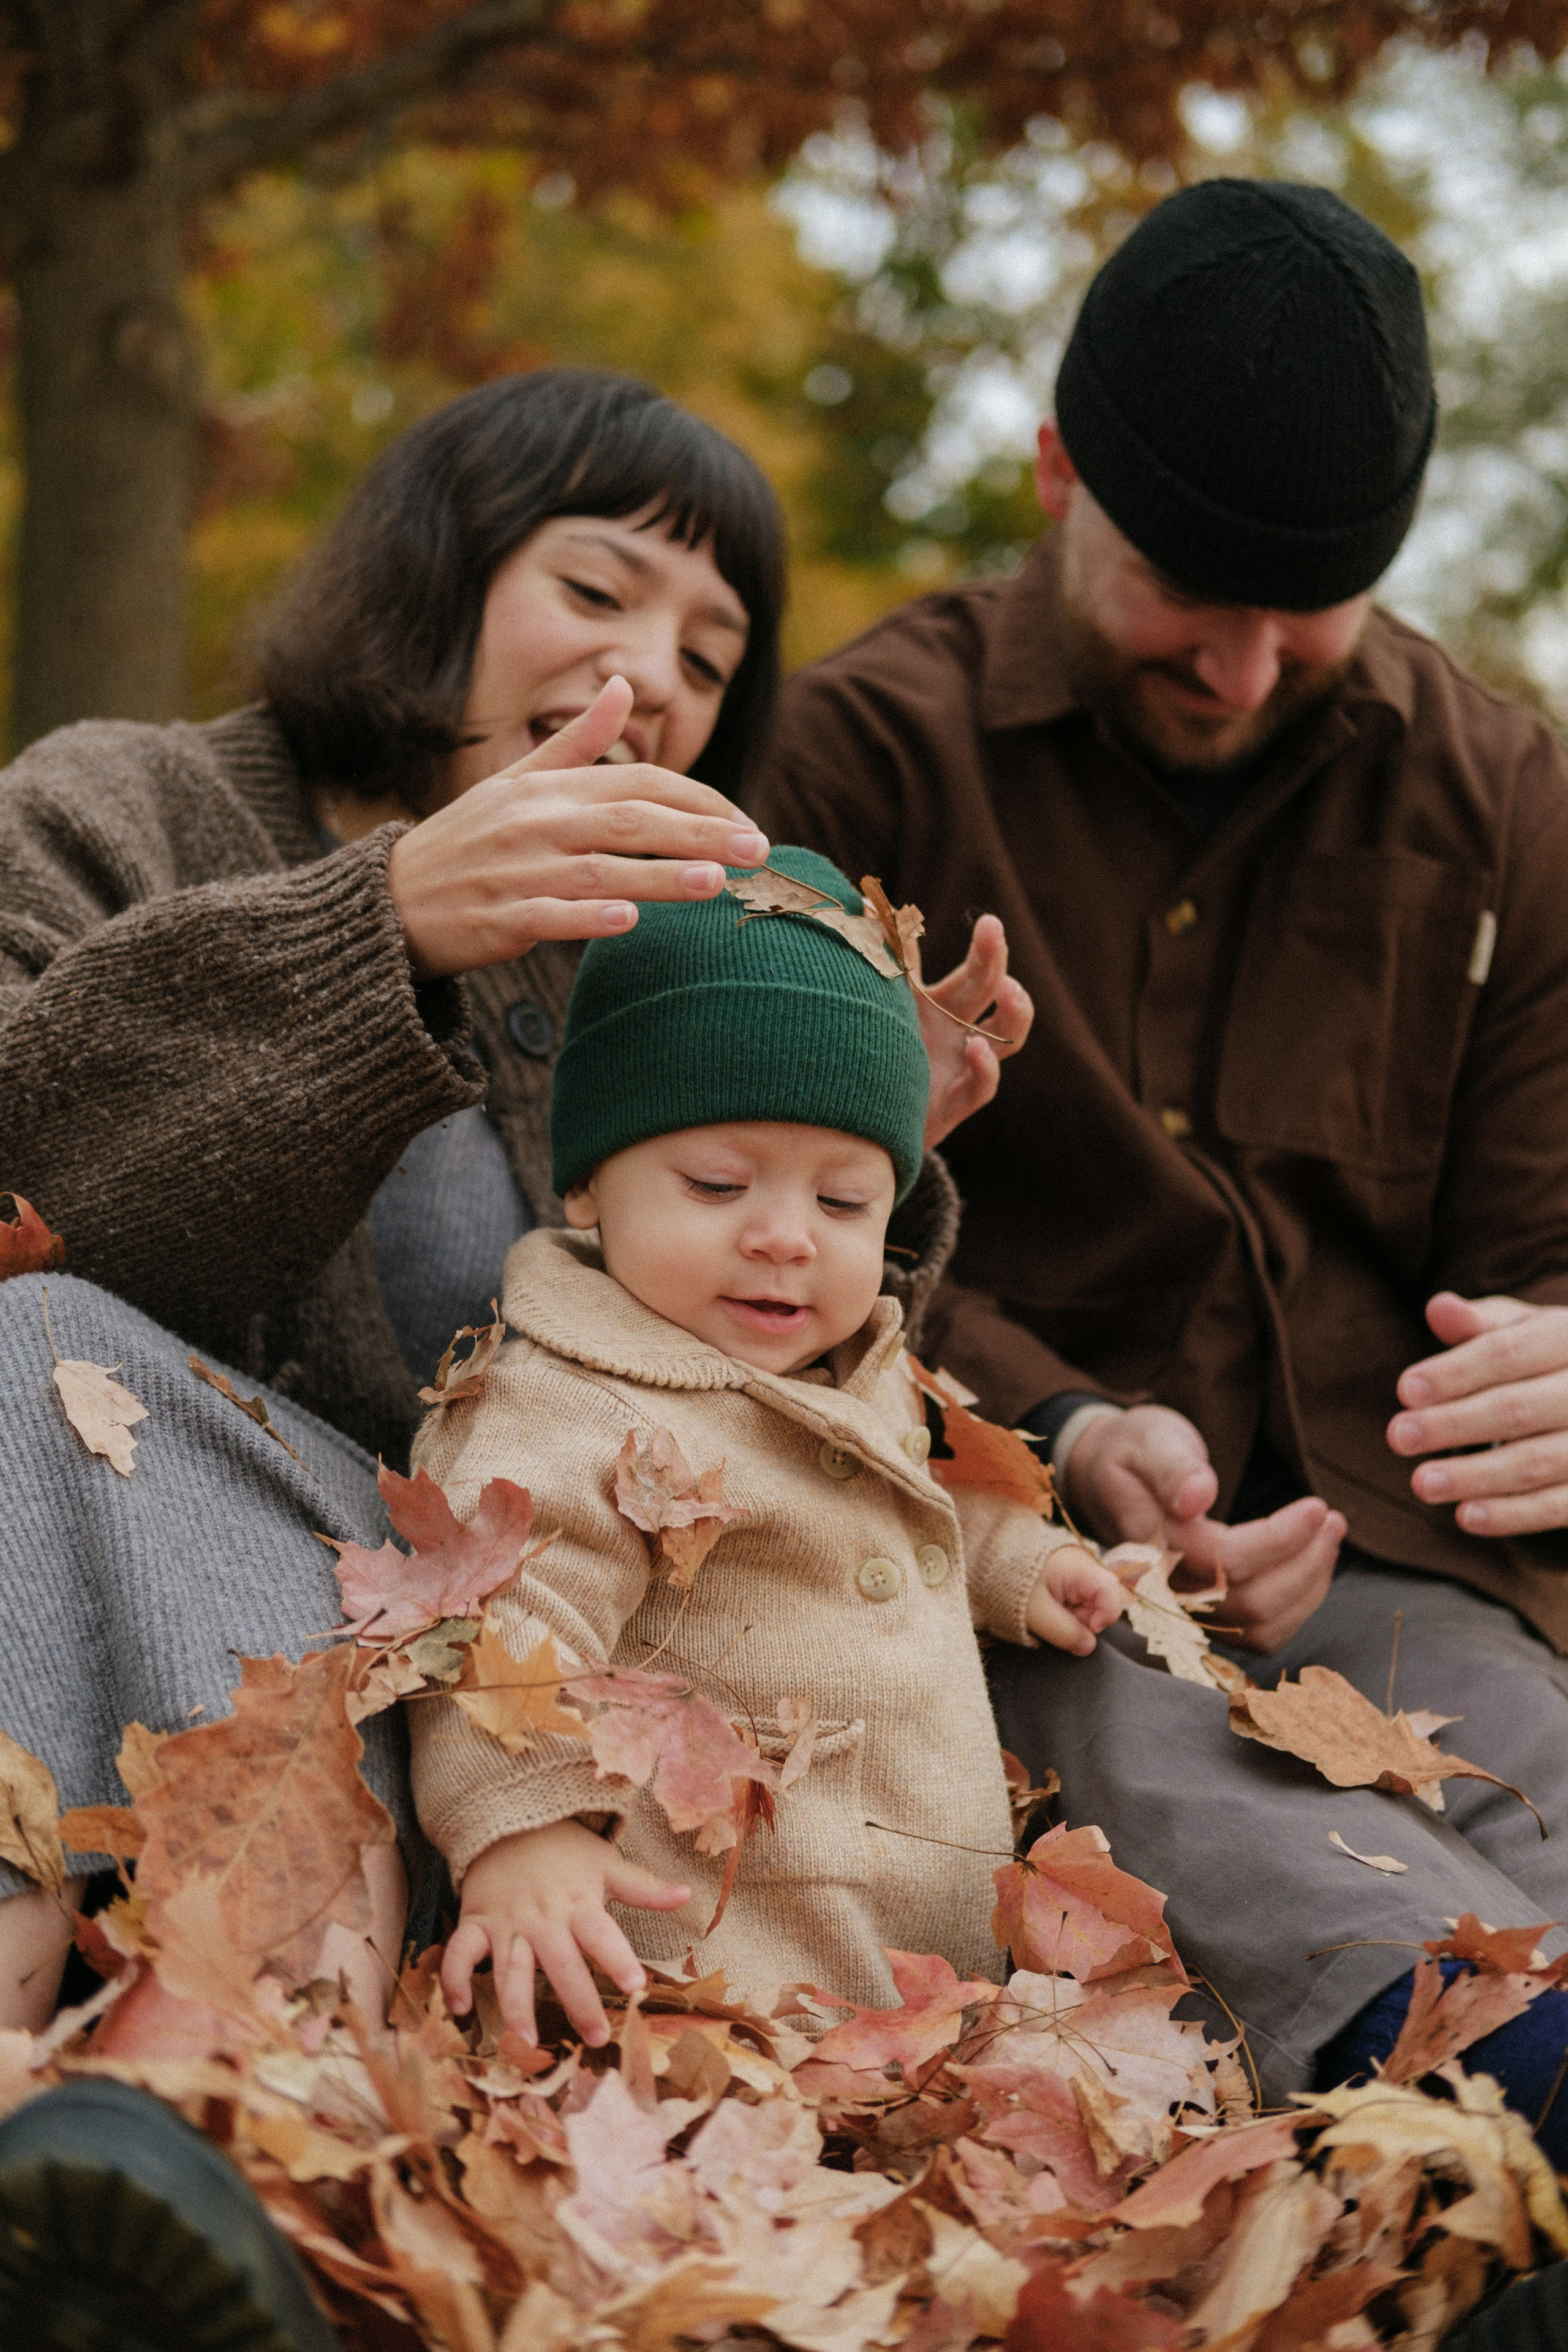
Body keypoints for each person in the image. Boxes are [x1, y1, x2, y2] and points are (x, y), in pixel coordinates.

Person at [0, 368, 1031, 2038]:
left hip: (508, 1704)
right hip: (115, 1578)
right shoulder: (121, 804)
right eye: (597, 590)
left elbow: (730, 1418)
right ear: (440, 575)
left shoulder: (655, 975)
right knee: (39, 1347)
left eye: (706, 659)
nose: (649, 677)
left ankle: (221, 2115)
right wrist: (382, 922)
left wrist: (847, 1153)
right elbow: (30, 1185)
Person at [750, 181, 1568, 2135]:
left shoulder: (1504, 791)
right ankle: (1517, 2112)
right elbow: (748, 1227)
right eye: (1189, 597)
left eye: (1310, 610)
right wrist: (1073, 1422)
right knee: (1140, 1727)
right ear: (1054, 476)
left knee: (1531, 1752)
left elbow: (1544, 1237)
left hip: (1406, 1551)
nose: (1244, 668)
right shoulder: (862, 759)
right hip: (1011, 1535)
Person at [405, 846, 1123, 2046]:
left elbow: (910, 1497)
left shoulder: (857, 1365)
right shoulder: (564, 1395)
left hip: (921, 1991)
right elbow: (495, 1619)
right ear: (585, 1185)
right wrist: (526, 1831)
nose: (786, 1238)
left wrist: (1009, 1563)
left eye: (843, 1203)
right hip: (703, 1985)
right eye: (717, 1183)